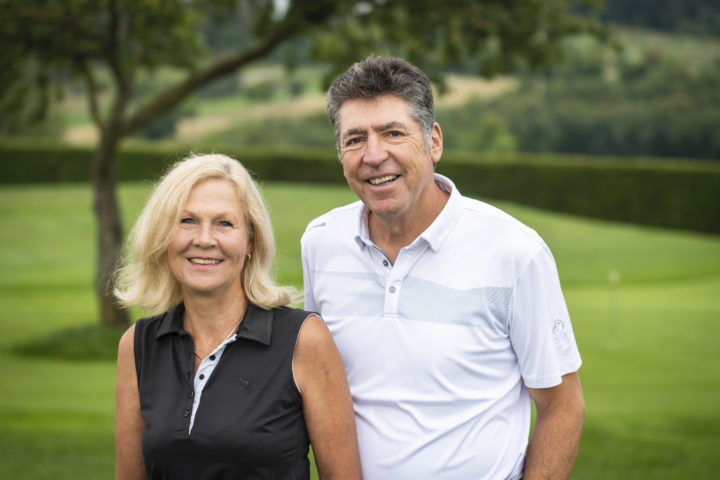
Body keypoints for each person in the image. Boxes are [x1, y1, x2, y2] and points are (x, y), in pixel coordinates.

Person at [301, 55, 585, 479]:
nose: (373, 155)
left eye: (392, 133)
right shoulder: (321, 242)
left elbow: (562, 406)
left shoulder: (514, 251)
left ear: (433, 141)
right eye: (355, 139)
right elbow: (321, 388)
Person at [114, 153, 362, 479]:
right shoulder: (138, 345)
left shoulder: (303, 340)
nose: (204, 239)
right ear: (163, 236)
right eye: (187, 220)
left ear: (250, 242)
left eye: (224, 223)